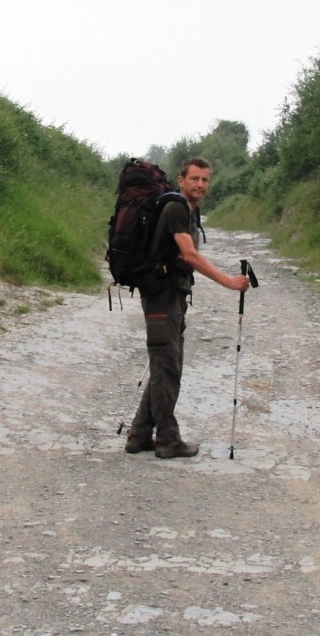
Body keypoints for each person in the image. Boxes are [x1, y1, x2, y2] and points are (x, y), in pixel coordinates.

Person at [125, 157, 251, 459]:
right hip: (161, 296)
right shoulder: (175, 208)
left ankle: (139, 435)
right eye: (194, 178)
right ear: (181, 180)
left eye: (205, 179)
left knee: (165, 365)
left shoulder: (188, 210)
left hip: (172, 295)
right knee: (167, 367)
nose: (200, 184)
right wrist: (229, 282)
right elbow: (189, 254)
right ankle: (168, 440)